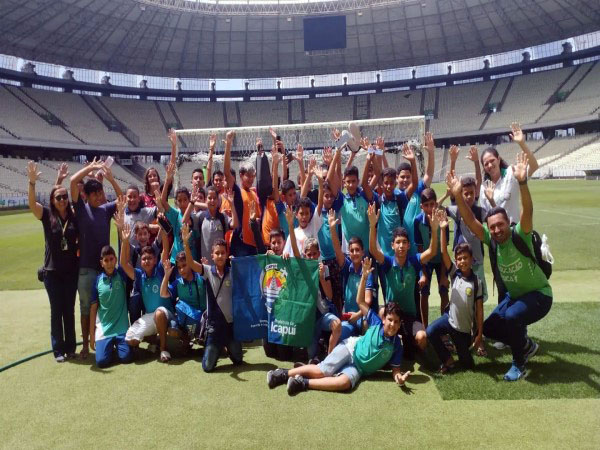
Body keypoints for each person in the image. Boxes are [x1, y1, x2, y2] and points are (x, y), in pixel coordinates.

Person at [447, 151, 552, 381]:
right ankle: (525, 345)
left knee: (513, 317)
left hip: (539, 296)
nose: (496, 230)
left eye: (500, 225)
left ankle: (519, 364)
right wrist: (457, 195)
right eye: (492, 227)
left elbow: (528, 210)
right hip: (516, 296)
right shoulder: (490, 239)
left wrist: (523, 182)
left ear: (508, 223)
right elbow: (472, 222)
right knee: (491, 328)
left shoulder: (519, 234)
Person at [266, 258, 410, 395]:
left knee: (344, 383)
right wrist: (364, 278)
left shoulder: (396, 344)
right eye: (390, 320)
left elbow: (395, 370)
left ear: (399, 324)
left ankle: (302, 383)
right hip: (350, 348)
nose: (392, 324)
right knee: (323, 371)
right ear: (384, 319)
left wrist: (399, 379)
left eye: (396, 322)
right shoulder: (376, 322)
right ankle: (282, 374)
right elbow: (360, 301)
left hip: (358, 368)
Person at [368, 203, 439, 359]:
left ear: (408, 245)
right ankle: (392, 343)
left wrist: (434, 229)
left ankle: (412, 346)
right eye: (398, 242)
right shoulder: (387, 263)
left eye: (404, 242)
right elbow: (373, 250)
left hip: (409, 316)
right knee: (381, 312)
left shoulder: (414, 261)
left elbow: (432, 251)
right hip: (391, 316)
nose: (401, 246)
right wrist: (373, 226)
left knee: (421, 338)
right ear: (392, 245)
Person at [70, 157, 123, 359]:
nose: (100, 197)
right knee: (85, 308)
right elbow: (73, 182)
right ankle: (85, 345)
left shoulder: (106, 210)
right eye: (96, 194)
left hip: (105, 269)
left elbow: (121, 198)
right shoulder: (82, 209)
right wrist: (90, 167)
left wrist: (110, 180)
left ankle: (107, 338)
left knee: (107, 306)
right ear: (87, 195)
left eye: (101, 193)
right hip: (86, 269)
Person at [27, 161, 79, 362]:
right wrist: (32, 184)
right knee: (56, 311)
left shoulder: (73, 216)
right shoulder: (47, 215)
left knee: (69, 311)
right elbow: (32, 204)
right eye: (59, 197)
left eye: (65, 197)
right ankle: (58, 350)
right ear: (53, 200)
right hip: (52, 272)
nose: (63, 200)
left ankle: (71, 348)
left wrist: (60, 181)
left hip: (70, 272)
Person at [426, 209, 483, 373]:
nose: (462, 261)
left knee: (467, 365)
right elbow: (444, 253)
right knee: (430, 332)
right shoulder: (454, 274)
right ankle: (448, 360)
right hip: (449, 320)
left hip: (463, 330)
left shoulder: (476, 282)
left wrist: (479, 334)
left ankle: (465, 351)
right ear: (456, 262)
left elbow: (479, 310)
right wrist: (443, 228)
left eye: (466, 258)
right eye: (459, 259)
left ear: (472, 260)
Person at [182, 226, 242, 372]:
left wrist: (237, 264)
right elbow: (190, 263)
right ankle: (217, 348)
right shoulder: (208, 271)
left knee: (239, 360)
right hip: (214, 327)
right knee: (207, 367)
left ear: (227, 254)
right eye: (217, 253)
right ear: (212, 256)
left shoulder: (232, 271)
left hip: (230, 326)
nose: (220, 256)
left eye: (223, 253)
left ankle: (227, 348)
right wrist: (185, 243)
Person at [285, 206, 340, 363]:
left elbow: (329, 295)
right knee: (311, 356)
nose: (311, 257)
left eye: (314, 254)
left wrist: (322, 277)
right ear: (304, 256)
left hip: (322, 315)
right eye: (308, 255)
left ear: (318, 254)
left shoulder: (325, 268)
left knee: (336, 324)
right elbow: (295, 251)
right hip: (308, 321)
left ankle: (330, 358)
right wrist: (290, 225)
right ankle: (315, 355)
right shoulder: (303, 268)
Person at [118, 218, 175, 363]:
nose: (147, 261)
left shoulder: (160, 270)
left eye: (150, 258)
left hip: (166, 314)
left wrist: (163, 231)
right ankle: (156, 341)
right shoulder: (138, 275)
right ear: (141, 261)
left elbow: (165, 251)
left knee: (160, 313)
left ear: (155, 260)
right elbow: (123, 264)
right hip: (151, 316)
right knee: (130, 338)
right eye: (144, 259)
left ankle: (163, 349)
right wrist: (124, 241)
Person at [328, 209, 375, 340]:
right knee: (339, 336)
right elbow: (338, 251)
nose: (354, 253)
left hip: (362, 317)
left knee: (366, 327)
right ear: (348, 252)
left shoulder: (367, 271)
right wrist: (332, 230)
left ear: (362, 252)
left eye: (357, 250)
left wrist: (358, 315)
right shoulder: (346, 267)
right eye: (352, 250)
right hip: (348, 318)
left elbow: (368, 300)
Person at [479, 123, 539, 224]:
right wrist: (491, 201)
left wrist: (522, 144)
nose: (489, 165)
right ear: (484, 167)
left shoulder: (511, 173)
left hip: (514, 231)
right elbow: (487, 217)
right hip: (496, 233)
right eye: (486, 164)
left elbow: (534, 166)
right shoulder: (484, 187)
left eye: (492, 160)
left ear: (498, 160)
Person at [89, 245, 133, 368]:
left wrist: (124, 240)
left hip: (121, 328)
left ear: (115, 259)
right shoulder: (97, 281)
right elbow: (93, 309)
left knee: (126, 358)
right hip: (104, 329)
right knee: (101, 362)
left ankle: (118, 348)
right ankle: (109, 348)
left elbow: (125, 260)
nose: (109, 263)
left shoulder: (122, 275)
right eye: (106, 260)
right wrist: (92, 335)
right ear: (101, 263)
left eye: (111, 259)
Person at [414, 188, 450, 327]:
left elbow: (444, 249)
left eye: (432, 204)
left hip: (441, 260)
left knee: (443, 290)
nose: (430, 208)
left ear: (436, 203)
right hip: (426, 262)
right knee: (424, 291)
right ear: (421, 206)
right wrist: (423, 273)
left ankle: (444, 328)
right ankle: (425, 327)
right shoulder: (417, 221)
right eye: (426, 205)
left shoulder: (443, 219)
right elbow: (420, 250)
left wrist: (443, 275)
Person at [223, 130, 262, 256]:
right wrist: (228, 145)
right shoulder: (238, 192)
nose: (251, 179)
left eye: (253, 177)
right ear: (241, 175)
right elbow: (227, 173)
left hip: (254, 242)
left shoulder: (254, 193)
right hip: (241, 243)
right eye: (248, 176)